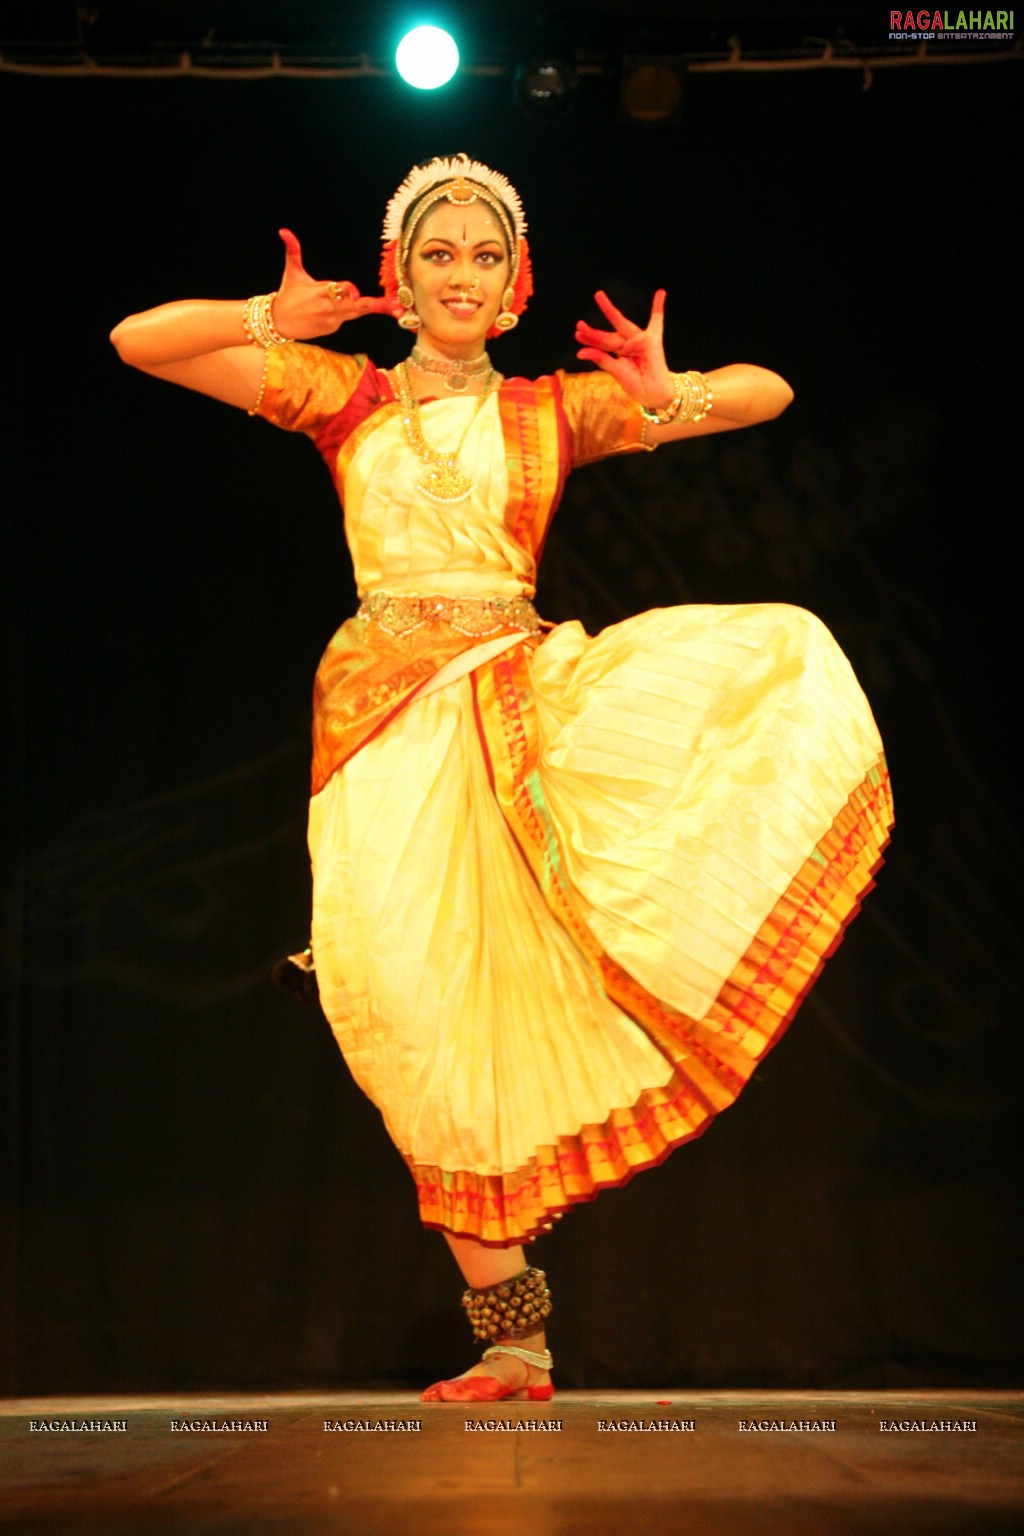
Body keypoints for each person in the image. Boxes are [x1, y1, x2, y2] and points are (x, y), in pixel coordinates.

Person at [111, 153, 893, 1404]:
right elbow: (138, 341)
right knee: (409, 1017)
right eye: (437, 253)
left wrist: (671, 390)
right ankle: (514, 1342)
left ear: (514, 284)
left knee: (758, 675)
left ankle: (513, 1346)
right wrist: (269, 319)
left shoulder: (549, 412)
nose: (460, 273)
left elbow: (772, 391)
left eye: (483, 255)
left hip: (516, 701)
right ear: (400, 281)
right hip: (381, 728)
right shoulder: (345, 397)